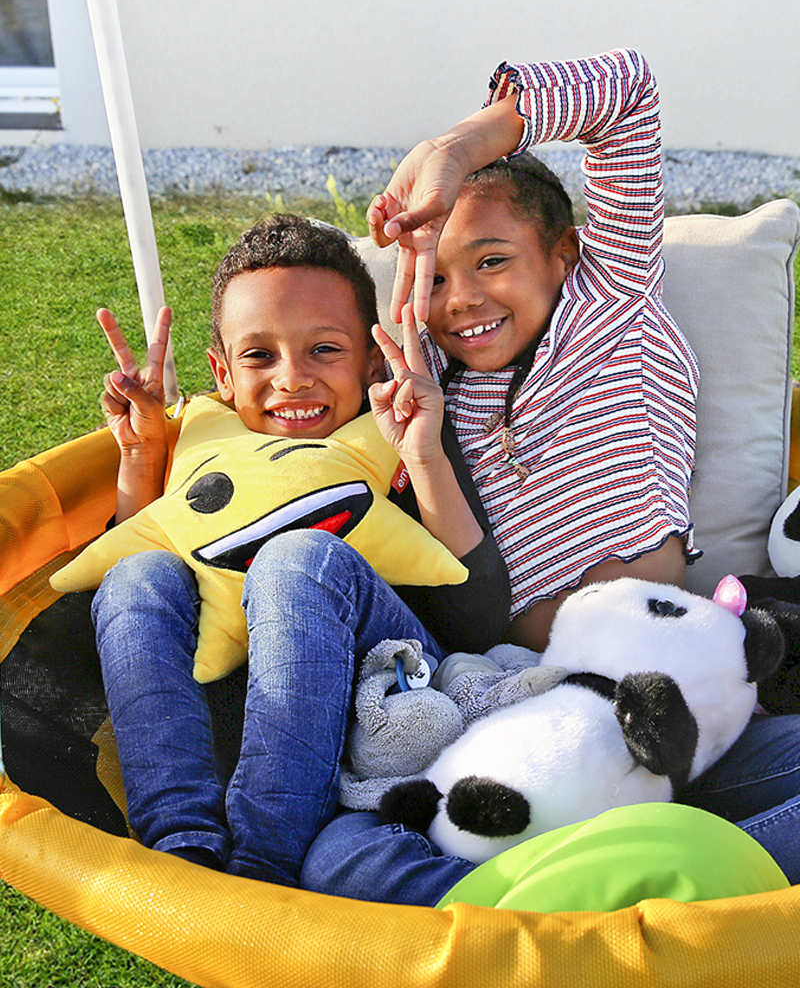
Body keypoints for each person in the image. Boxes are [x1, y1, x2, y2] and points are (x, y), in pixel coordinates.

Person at [300, 49, 800, 903]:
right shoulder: (436, 395)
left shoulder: (612, 301)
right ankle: (612, 886)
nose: (461, 299)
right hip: (518, 710)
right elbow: (465, 596)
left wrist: (459, 149)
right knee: (334, 860)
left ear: (566, 255)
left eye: (491, 260)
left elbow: (630, 90)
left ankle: (594, 886)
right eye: (439, 278)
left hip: (670, 710)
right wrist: (422, 442)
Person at [91, 214, 510, 887]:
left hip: (398, 691)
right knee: (137, 575)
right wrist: (141, 456)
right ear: (221, 373)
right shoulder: (207, 447)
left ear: (372, 359)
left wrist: (425, 455)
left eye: (325, 350)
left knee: (297, 559)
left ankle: (266, 862)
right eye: (259, 356)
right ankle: (181, 850)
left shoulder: (396, 433)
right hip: (255, 710)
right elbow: (124, 608)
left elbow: (481, 622)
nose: (292, 379)